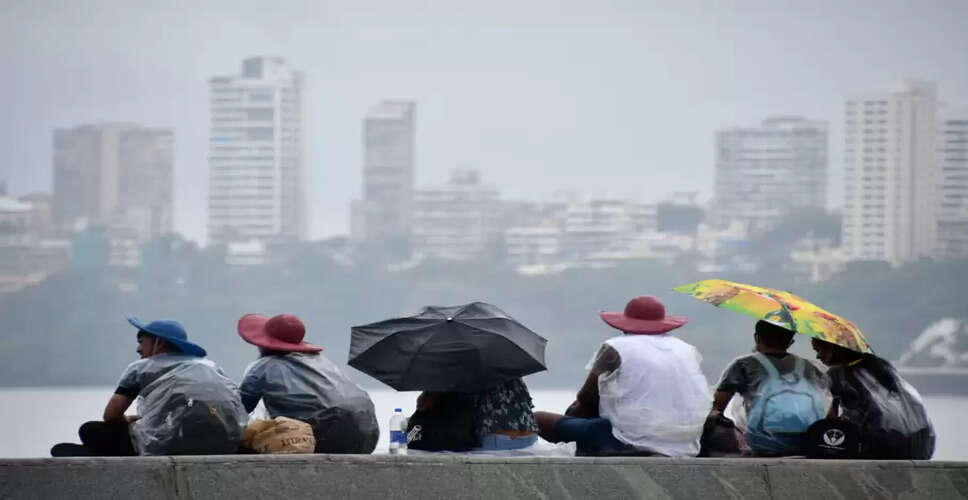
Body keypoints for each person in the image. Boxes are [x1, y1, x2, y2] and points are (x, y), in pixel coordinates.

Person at [535, 295, 711, 457]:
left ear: (625, 324)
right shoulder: (685, 349)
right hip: (685, 444)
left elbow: (586, 398)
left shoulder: (616, 347)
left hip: (628, 441)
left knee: (537, 419)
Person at [51, 317, 247, 457]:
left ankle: (97, 453)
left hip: (165, 446)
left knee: (90, 430)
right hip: (222, 444)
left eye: (141, 342)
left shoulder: (140, 368)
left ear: (158, 343)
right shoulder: (212, 367)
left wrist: (128, 420)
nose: (138, 349)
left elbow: (111, 416)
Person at [237, 313, 379, 454]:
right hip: (367, 435)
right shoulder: (321, 361)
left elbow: (239, 411)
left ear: (263, 344)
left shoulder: (262, 368)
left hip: (317, 438)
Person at [710, 320, 828, 456]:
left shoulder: (743, 365)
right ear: (791, 342)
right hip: (810, 442)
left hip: (762, 445)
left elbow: (717, 408)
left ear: (757, 338)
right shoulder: (811, 367)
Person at [811, 338, 935, 459]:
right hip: (920, 444)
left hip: (881, 447)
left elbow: (830, 419)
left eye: (819, 350)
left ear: (833, 349)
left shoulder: (837, 373)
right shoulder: (881, 366)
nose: (818, 356)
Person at [407, 378, 538, 452]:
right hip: (530, 438)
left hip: (496, 439)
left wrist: (429, 391)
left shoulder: (462, 369)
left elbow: (424, 404)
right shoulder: (508, 365)